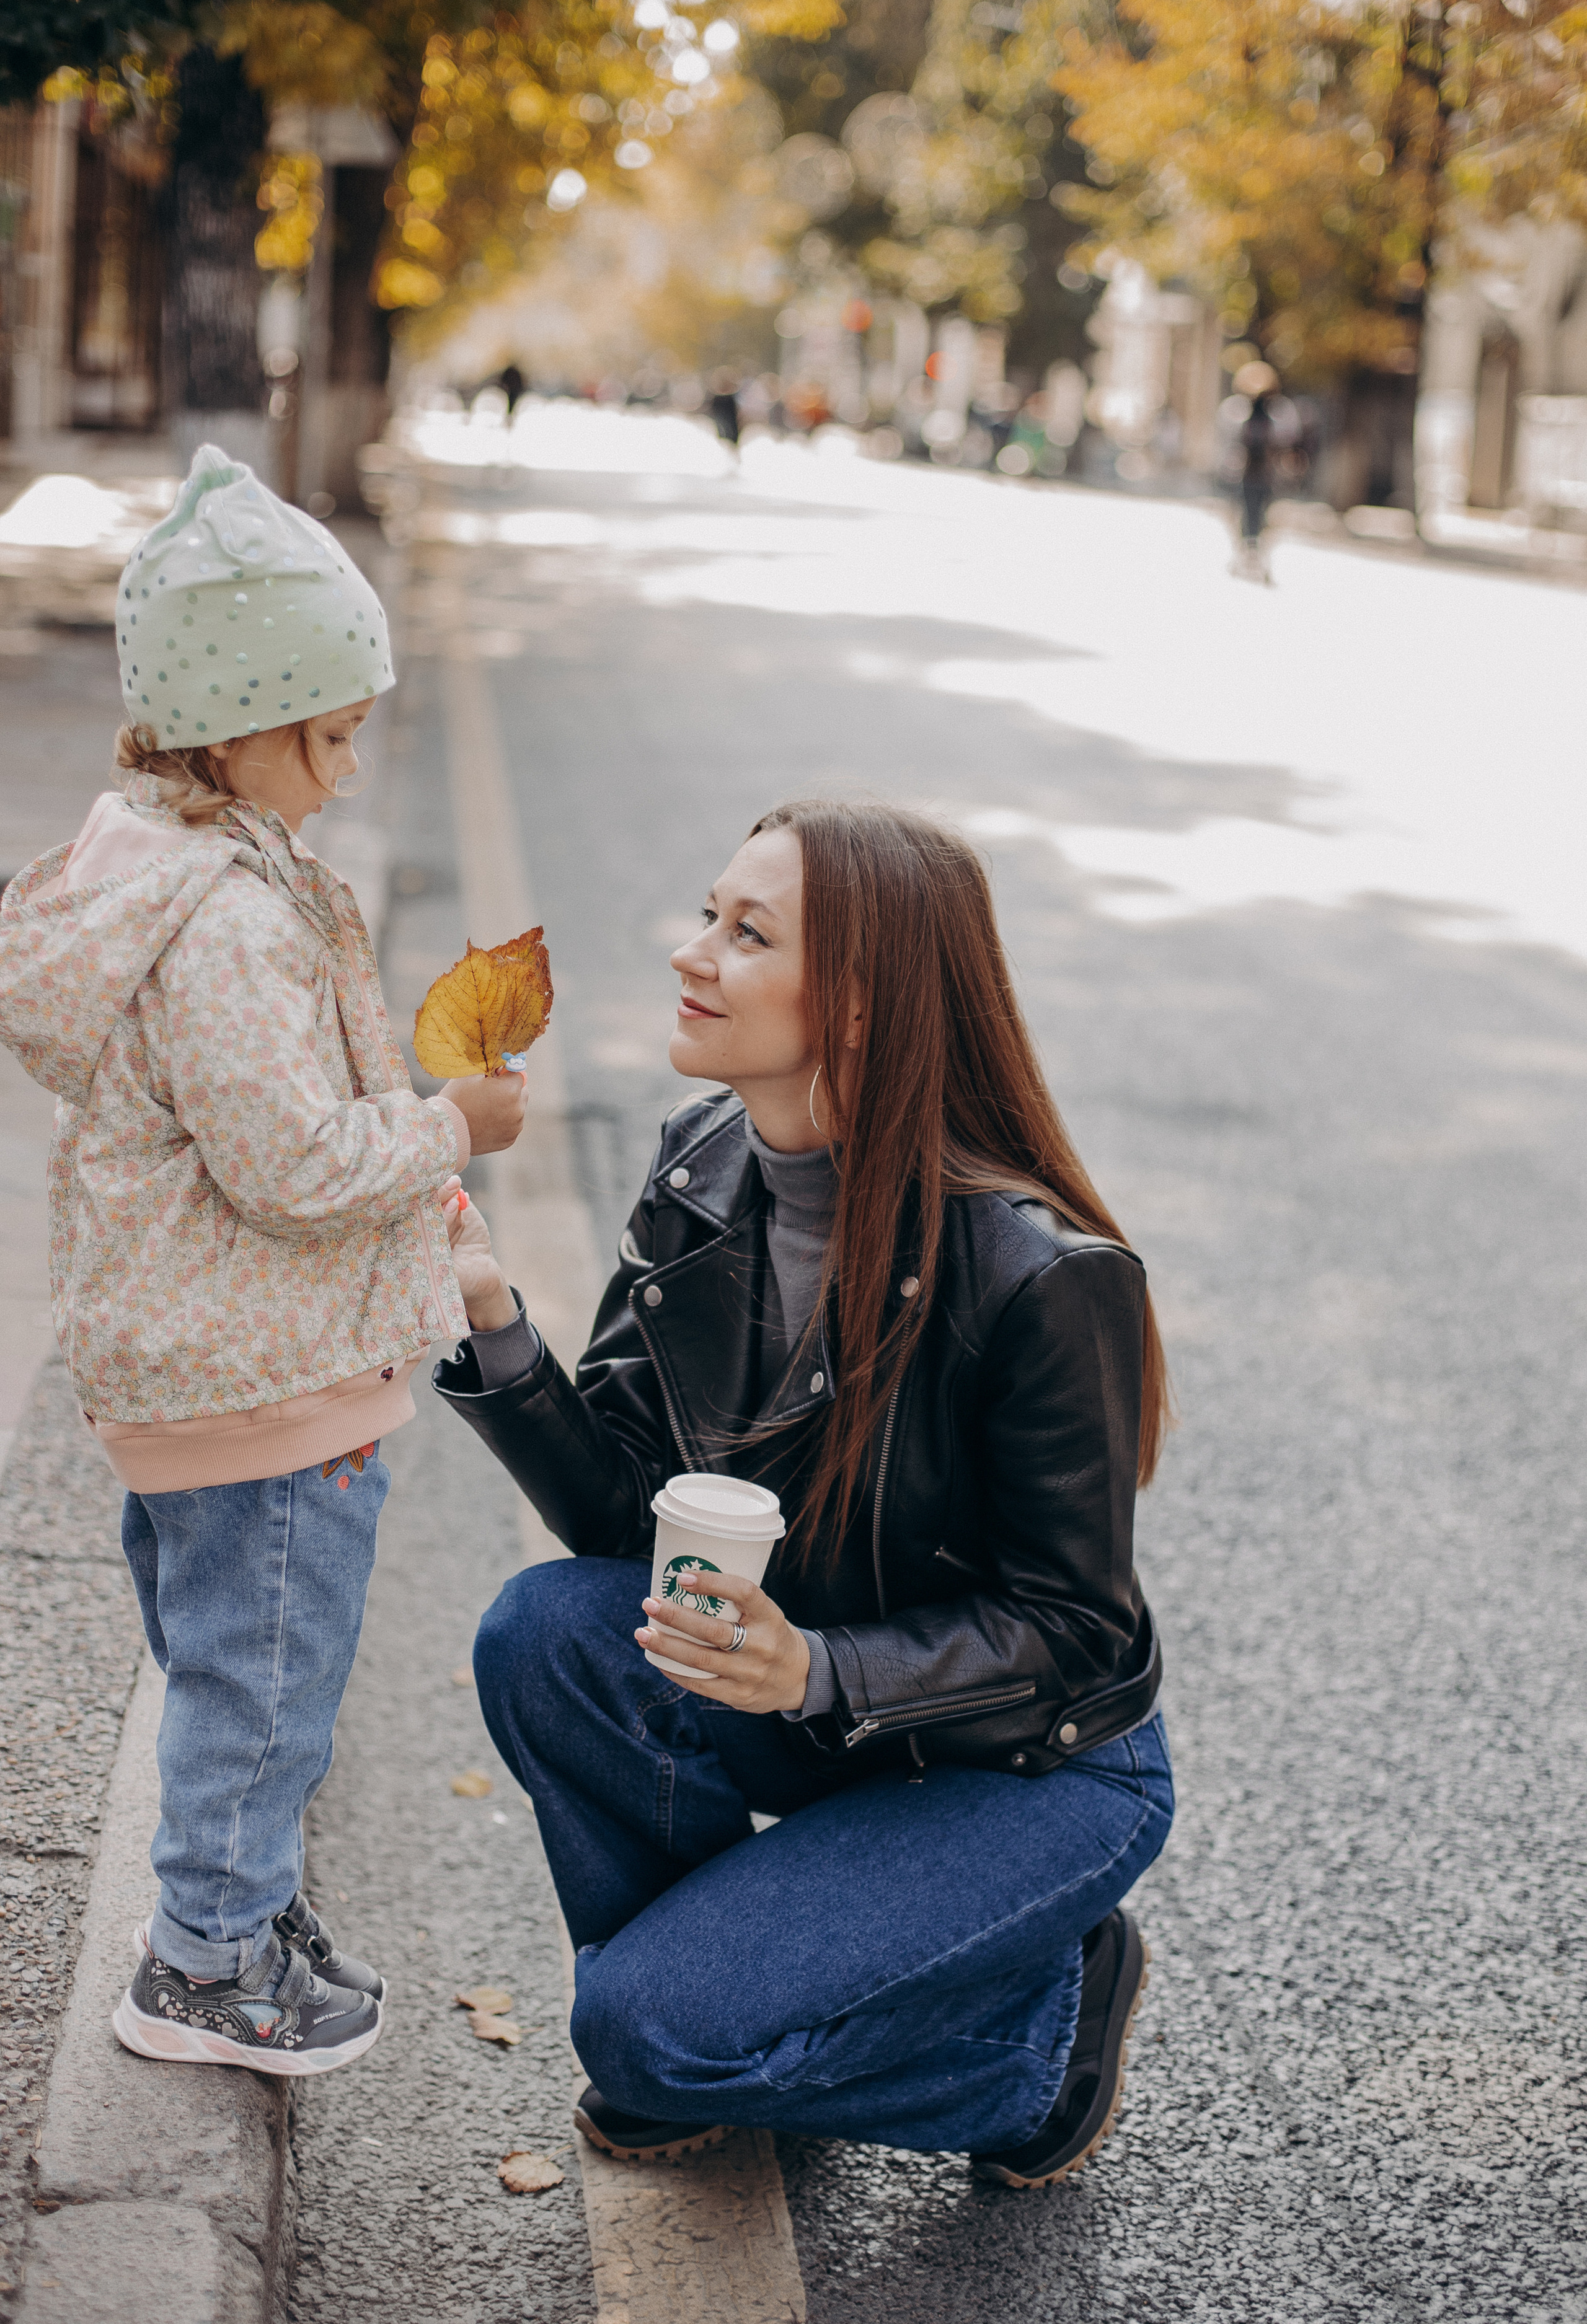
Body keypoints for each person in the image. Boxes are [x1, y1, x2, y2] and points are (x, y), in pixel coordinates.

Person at [436, 799, 1174, 2187]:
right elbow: (624, 1523)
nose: (691, 953)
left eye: (746, 933)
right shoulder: (700, 1165)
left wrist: (817, 1670)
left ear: (861, 1001)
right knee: (544, 1631)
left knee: (642, 2035)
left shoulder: (1042, 1277)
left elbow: (1077, 1630)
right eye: (707, 916)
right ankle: (713, 2024)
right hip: (810, 1699)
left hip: (1023, 1763)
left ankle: (1039, 2034)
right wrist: (494, 1323)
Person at [0, 446, 527, 2075]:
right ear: (236, 727)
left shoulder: (167, 861)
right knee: (266, 1683)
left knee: (232, 1662)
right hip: (265, 1377)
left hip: (202, 1352)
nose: (352, 769)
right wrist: (446, 1130)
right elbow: (292, 1168)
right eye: (334, 733)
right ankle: (204, 1965)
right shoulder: (223, 919)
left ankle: (245, 1901)